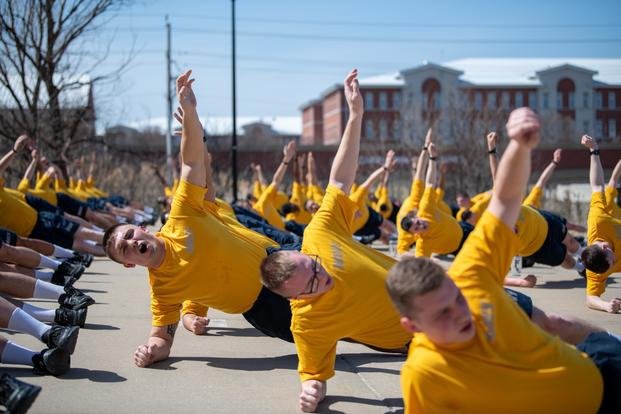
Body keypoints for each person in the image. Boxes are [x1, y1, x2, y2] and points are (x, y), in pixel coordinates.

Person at [385, 107, 605, 413]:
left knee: (556, 321)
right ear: (412, 327)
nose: (461, 314)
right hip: (475, 250)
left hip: (602, 368)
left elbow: (504, 199)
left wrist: (519, 145)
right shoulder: (423, 375)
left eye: (458, 300)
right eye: (441, 315)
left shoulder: (468, 273)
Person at [103, 69, 295, 368]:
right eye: (124, 249)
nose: (131, 243)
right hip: (262, 310)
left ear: (142, 228)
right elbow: (163, 337)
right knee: (331, 335)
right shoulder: (163, 289)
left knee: (348, 296)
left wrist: (191, 113)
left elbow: (193, 163)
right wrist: (152, 350)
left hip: (278, 260)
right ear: (129, 263)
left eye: (129, 235)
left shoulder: (183, 213)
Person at [260, 69, 411, 413]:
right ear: (295, 298)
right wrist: (312, 390)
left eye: (314, 267)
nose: (322, 277)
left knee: (550, 325)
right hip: (425, 334)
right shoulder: (307, 322)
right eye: (312, 284)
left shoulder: (319, 233)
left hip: (446, 289)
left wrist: (355, 115)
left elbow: (340, 178)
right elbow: (314, 372)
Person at [580, 134, 621, 313]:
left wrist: (594, 150)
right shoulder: (596, 268)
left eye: (612, 261)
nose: (615, 262)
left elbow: (597, 186)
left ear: (605, 247)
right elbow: (590, 299)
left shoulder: (597, 220)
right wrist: (606, 306)